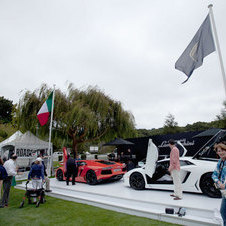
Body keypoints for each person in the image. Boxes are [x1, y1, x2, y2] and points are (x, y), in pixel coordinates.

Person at [212, 142, 226, 226]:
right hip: (224, 191)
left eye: (222, 150)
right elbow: (214, 174)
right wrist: (218, 182)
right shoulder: (220, 161)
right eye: (218, 151)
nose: (220, 152)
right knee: (223, 212)